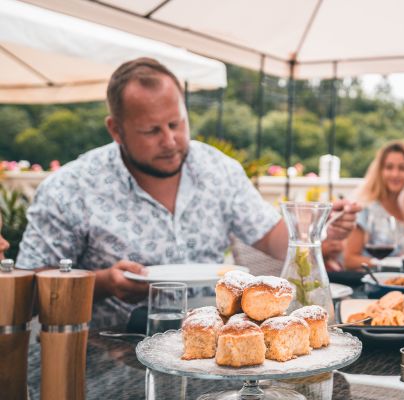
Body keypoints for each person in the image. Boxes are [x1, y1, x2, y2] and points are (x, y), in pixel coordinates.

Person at [15, 58, 359, 328]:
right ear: (116, 129)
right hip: (107, 357)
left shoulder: (217, 170)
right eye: (151, 130)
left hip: (212, 351)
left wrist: (322, 234)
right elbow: (24, 294)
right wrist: (102, 283)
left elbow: (276, 241)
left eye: (176, 124)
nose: (170, 141)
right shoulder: (68, 189)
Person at [344, 140, 404, 270]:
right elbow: (349, 260)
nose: (395, 174)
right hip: (370, 284)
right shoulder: (365, 207)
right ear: (380, 171)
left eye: (402, 168)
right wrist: (387, 264)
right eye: (389, 167)